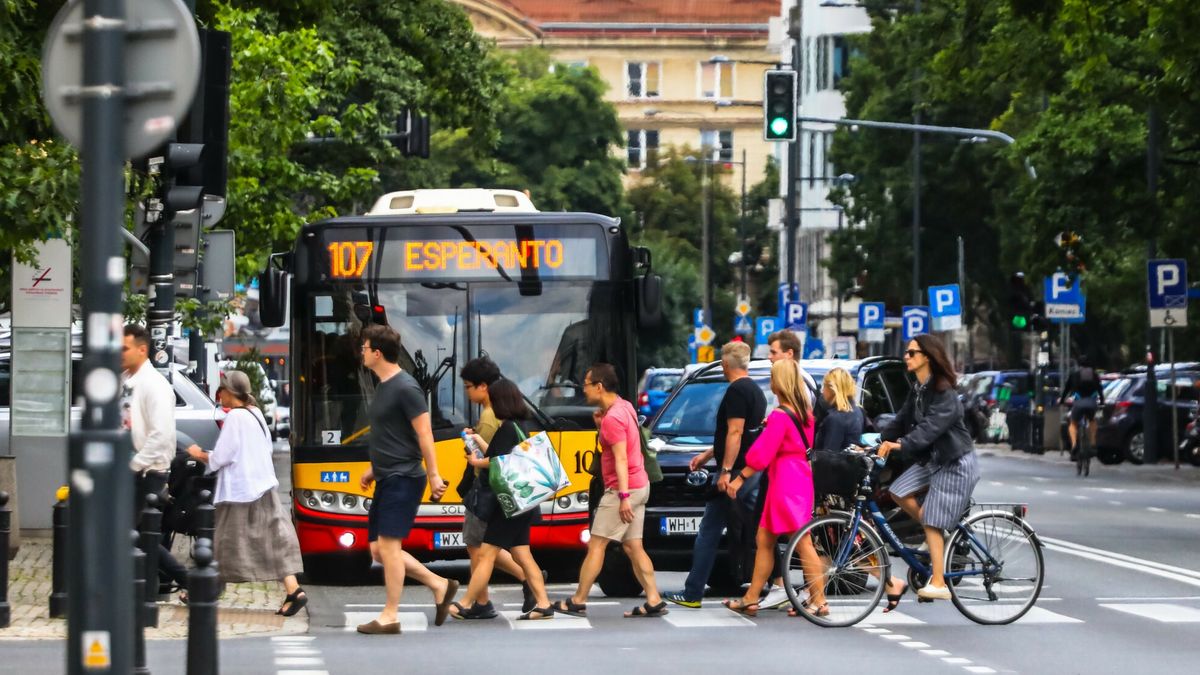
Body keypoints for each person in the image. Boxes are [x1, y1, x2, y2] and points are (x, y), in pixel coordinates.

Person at [354, 325, 459, 635]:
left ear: (377, 353)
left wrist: (434, 473)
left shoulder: (405, 387)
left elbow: (424, 433)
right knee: (377, 549)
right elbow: (393, 433)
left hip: (404, 477)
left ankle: (390, 615)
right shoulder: (384, 385)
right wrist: (374, 468)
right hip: (387, 475)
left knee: (388, 546)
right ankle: (439, 584)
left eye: (365, 347)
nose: (361, 351)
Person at [185, 371, 307, 616]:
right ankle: (293, 590)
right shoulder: (256, 413)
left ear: (230, 392)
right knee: (273, 539)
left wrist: (198, 453)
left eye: (222, 390)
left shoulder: (236, 418)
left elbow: (222, 456)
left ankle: (204, 589)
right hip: (262, 484)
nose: (219, 395)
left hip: (241, 491)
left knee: (221, 541)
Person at [553, 362, 668, 618]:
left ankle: (578, 599)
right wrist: (599, 427)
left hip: (622, 490)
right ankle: (653, 599)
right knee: (633, 547)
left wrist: (623, 497)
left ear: (599, 386)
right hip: (641, 485)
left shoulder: (613, 418)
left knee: (597, 544)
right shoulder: (624, 407)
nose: (584, 390)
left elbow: (621, 459)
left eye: (586, 384)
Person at [878, 334, 980, 606]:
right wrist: (876, 441)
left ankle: (938, 582)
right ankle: (936, 536)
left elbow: (928, 431)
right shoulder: (920, 388)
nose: (906, 357)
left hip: (955, 463)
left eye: (912, 353)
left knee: (932, 521)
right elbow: (901, 420)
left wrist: (898, 445)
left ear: (927, 357)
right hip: (935, 459)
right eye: (907, 352)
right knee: (897, 491)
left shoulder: (944, 393)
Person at [663, 341, 766, 608]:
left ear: (725, 364)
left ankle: (692, 592)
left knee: (709, 530)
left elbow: (735, 432)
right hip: (748, 469)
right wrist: (709, 454)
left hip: (735, 472)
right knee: (758, 529)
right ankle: (776, 583)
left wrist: (726, 470)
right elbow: (741, 434)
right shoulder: (755, 390)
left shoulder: (736, 391)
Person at [722, 359, 825, 617]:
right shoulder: (805, 415)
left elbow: (761, 454)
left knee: (801, 542)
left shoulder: (780, 415)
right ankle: (751, 597)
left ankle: (820, 600)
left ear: (778, 382)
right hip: (799, 478)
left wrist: (740, 477)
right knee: (765, 539)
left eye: (772, 376)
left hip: (784, 482)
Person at [449, 378, 555, 621]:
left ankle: (466, 603)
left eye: (494, 401)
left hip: (509, 504)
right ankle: (544, 604)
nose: (491, 405)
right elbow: (500, 454)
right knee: (522, 555)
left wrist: (476, 462)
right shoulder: (519, 425)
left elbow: (497, 460)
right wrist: (478, 442)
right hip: (522, 503)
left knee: (486, 555)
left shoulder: (508, 427)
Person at [455, 357, 535, 616]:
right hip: (495, 492)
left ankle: (479, 602)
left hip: (488, 493)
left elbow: (497, 460)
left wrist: (475, 457)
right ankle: (529, 585)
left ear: (483, 387)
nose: (466, 392)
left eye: (468, 386)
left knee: (480, 547)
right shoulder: (498, 419)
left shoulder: (493, 419)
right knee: (487, 547)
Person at [121, 325, 176, 521]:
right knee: (132, 538)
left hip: (147, 473)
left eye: (124, 349)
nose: (119, 354)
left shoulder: (154, 384)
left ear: (142, 349)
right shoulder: (126, 379)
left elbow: (161, 434)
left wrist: (133, 465)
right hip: (133, 471)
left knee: (140, 539)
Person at [1059, 355, 1105, 456]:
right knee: (1092, 420)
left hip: (1079, 404)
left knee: (1073, 423)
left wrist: (1062, 401)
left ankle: (1074, 444)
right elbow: (1100, 389)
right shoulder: (1094, 375)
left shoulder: (1074, 375)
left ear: (1078, 364)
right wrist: (1102, 401)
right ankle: (1093, 443)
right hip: (1091, 404)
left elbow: (1067, 390)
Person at [814, 367, 864, 451]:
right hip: (851, 463)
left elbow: (829, 454)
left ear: (832, 389)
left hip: (836, 463)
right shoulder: (857, 411)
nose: (822, 391)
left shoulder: (835, 418)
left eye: (824, 386)